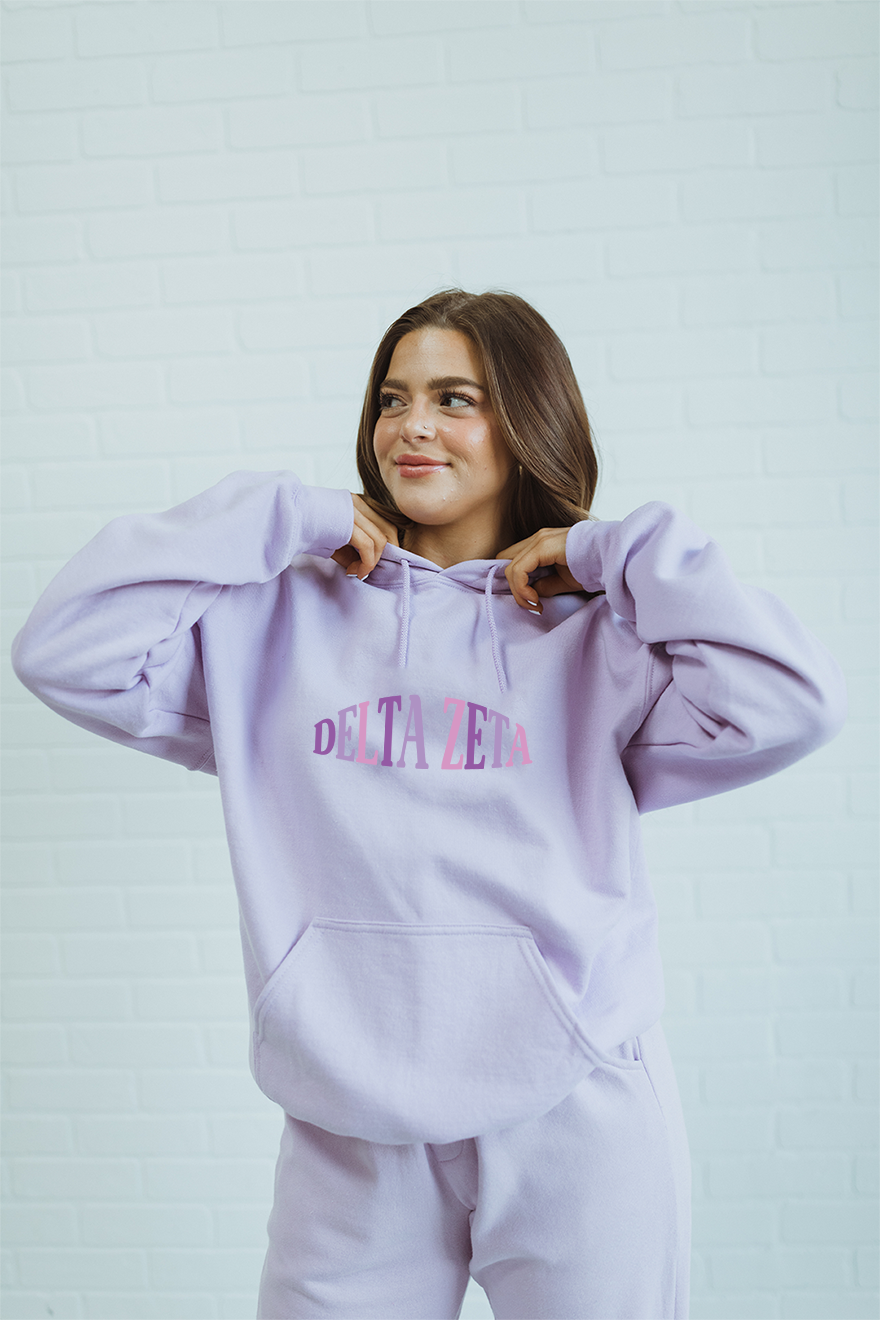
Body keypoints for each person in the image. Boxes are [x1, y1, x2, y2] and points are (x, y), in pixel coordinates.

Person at [12, 289, 846, 1320]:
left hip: (575, 1102)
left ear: (527, 418)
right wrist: (283, 518)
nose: (411, 425)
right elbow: (64, 650)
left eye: (455, 398)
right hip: (347, 1113)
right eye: (392, 399)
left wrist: (607, 553)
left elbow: (792, 701)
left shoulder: (600, 635)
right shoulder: (271, 621)